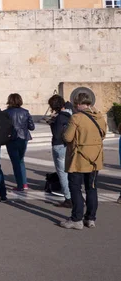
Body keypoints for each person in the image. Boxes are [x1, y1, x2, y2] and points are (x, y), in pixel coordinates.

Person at [59, 93, 106, 230]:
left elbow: (68, 138)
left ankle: (76, 219)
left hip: (79, 158)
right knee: (91, 188)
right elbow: (103, 134)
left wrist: (63, 132)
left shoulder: (76, 117)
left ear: (79, 104)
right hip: (95, 158)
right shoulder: (100, 116)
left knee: (75, 188)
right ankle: (90, 218)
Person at [5, 93, 35, 192]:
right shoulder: (25, 112)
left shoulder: (6, 113)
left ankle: (20, 184)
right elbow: (32, 127)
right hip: (23, 137)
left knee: (16, 162)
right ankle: (24, 183)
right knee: (21, 160)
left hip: (11, 138)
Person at [47, 95, 72, 207]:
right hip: (69, 146)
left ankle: (68, 198)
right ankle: (76, 195)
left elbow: (57, 135)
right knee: (71, 172)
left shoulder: (59, 118)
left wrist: (52, 123)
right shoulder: (71, 114)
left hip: (59, 146)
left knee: (62, 173)